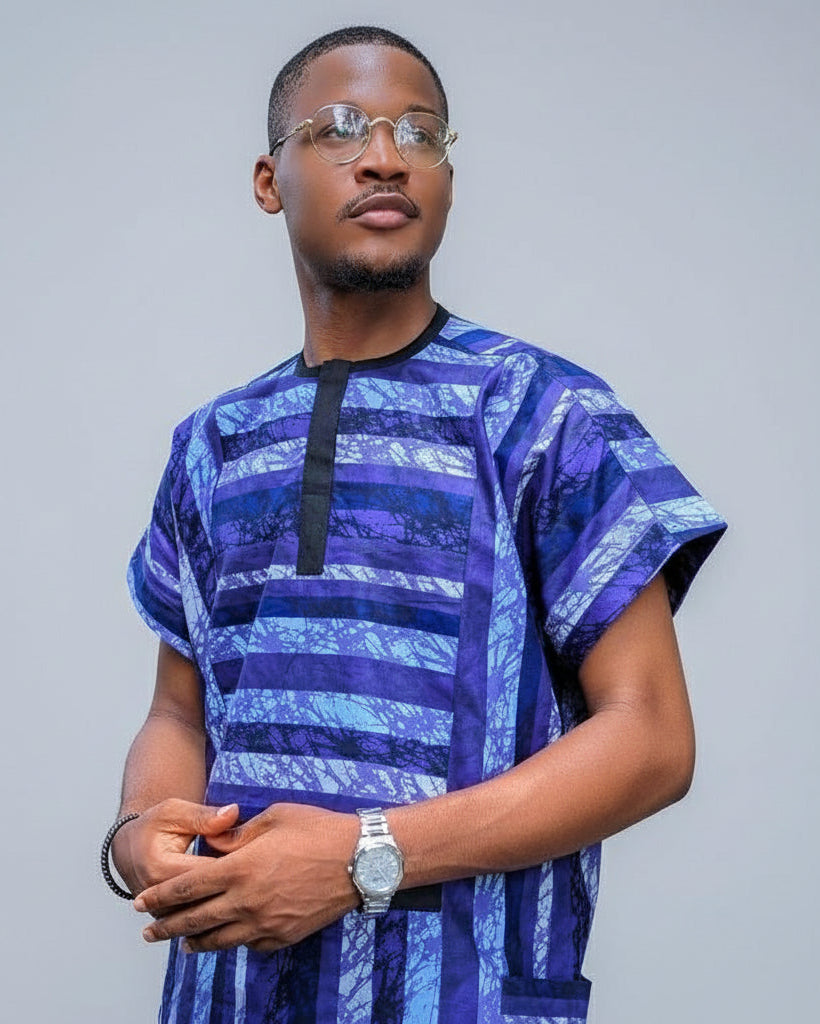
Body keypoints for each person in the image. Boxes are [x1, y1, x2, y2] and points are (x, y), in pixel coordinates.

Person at [105, 24, 728, 1024]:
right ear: (270, 180)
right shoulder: (210, 446)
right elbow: (180, 711)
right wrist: (137, 834)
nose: (386, 154)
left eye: (421, 133)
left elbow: (651, 739)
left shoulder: (545, 418)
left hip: (462, 999)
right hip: (224, 998)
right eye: (340, 127)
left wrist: (360, 859)